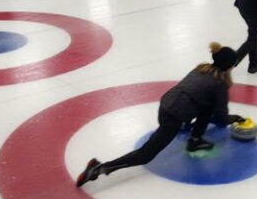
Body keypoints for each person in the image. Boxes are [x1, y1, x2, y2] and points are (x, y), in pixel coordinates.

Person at [75, 43, 246, 188]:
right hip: (174, 116)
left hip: (166, 105)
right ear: (229, 66)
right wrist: (235, 118)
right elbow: (222, 119)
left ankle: (195, 140)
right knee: (145, 155)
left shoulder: (201, 68)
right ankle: (99, 168)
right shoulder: (220, 85)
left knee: (207, 107)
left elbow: (199, 98)